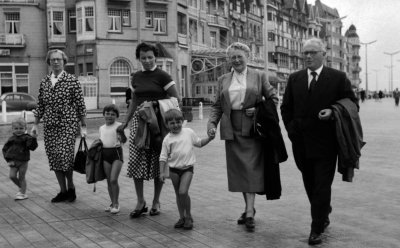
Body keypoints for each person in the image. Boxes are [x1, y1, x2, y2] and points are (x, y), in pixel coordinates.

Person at [280, 38, 357, 245]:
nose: (308, 56)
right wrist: (291, 130)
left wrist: (333, 112)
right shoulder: (294, 78)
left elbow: (352, 103)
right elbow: (286, 107)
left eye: (313, 52)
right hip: (301, 142)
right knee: (310, 184)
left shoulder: (338, 78)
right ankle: (323, 211)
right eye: (305, 53)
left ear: (324, 54)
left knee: (322, 186)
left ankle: (316, 227)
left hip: (326, 143)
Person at [207, 42, 278, 231]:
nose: (236, 60)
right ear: (229, 59)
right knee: (240, 171)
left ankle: (248, 212)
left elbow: (273, 99)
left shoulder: (259, 76)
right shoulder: (223, 79)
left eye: (240, 56)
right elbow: (217, 106)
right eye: (233, 57)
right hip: (231, 129)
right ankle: (249, 208)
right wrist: (212, 124)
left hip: (253, 130)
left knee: (251, 169)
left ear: (248, 57)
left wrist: (258, 110)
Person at [118, 42, 180, 218]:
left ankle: (156, 201)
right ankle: (140, 201)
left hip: (157, 124)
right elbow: (134, 101)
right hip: (139, 124)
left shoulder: (163, 76)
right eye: (143, 58)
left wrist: (155, 103)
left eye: (150, 57)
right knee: (137, 161)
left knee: (157, 160)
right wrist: (125, 121)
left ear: (155, 57)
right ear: (138, 58)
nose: (147, 61)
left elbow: (176, 99)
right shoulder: (136, 77)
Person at [31, 49, 87, 203]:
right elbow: (40, 104)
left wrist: (83, 125)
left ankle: (71, 187)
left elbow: (80, 105)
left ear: (64, 61)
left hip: (67, 124)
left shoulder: (72, 80)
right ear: (49, 62)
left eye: (59, 59)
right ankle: (63, 191)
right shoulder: (44, 81)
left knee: (65, 156)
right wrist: (35, 124)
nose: (56, 62)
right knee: (54, 157)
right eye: (53, 59)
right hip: (49, 125)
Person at [159, 109, 214, 230]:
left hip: (187, 169)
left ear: (182, 121)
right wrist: (162, 172)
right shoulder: (167, 139)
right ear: (167, 125)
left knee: (183, 192)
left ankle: (188, 216)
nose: (176, 125)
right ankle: (181, 217)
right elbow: (163, 157)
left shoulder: (188, 132)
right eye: (172, 123)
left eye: (178, 122)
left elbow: (199, 143)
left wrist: (209, 138)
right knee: (178, 195)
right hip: (174, 170)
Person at [99, 104, 127, 214]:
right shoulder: (101, 128)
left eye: (113, 114)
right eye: (107, 114)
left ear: (116, 116)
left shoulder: (119, 126)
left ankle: (116, 204)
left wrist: (121, 135)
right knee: (109, 182)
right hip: (105, 154)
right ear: (104, 114)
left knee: (113, 179)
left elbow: (124, 140)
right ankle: (112, 203)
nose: (110, 116)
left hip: (116, 154)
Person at [2, 118, 38, 200]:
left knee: (22, 177)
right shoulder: (11, 139)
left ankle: (22, 193)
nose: (18, 130)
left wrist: (34, 138)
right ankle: (22, 188)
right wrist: (8, 160)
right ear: (12, 129)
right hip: (13, 162)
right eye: (16, 128)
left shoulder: (27, 138)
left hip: (23, 161)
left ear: (25, 129)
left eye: (21, 128)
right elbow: (5, 149)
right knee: (12, 176)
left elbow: (32, 147)